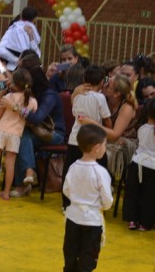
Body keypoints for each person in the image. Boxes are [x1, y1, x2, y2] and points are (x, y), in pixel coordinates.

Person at [0, 57, 65, 197]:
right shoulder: (31, 94)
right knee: (17, 136)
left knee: (19, 137)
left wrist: (15, 106)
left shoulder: (50, 96)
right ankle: (26, 176)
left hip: (53, 134)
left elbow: (36, 119)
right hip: (34, 131)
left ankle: (23, 182)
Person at [63, 124, 113, 272]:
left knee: (70, 253)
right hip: (92, 220)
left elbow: (66, 189)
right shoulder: (100, 172)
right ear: (97, 147)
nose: (105, 147)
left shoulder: (73, 167)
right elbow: (107, 199)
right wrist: (103, 206)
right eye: (105, 144)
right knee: (88, 257)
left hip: (73, 217)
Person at [0, 68, 38, 200]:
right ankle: (7, 192)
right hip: (16, 134)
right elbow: (31, 118)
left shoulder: (7, 97)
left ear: (14, 84)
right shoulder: (33, 101)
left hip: (1, 130)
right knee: (10, 163)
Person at [62, 65, 112, 209]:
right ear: (102, 82)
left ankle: (66, 204)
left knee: (70, 171)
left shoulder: (77, 95)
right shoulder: (100, 97)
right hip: (93, 139)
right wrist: (109, 129)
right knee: (98, 170)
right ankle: (96, 200)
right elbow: (106, 118)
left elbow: (74, 112)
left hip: (75, 138)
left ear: (84, 79)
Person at [122, 98, 155, 231]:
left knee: (133, 193)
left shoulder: (142, 128)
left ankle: (132, 220)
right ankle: (145, 223)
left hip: (138, 164)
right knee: (151, 195)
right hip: (154, 167)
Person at [0, 5, 41, 72]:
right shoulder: (14, 30)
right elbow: (38, 53)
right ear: (34, 19)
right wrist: (17, 61)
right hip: (13, 68)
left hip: (18, 67)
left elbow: (1, 50)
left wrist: (31, 37)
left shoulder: (14, 30)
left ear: (21, 16)